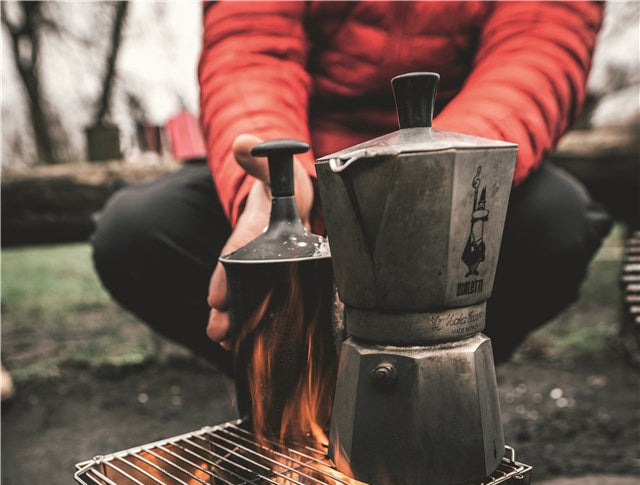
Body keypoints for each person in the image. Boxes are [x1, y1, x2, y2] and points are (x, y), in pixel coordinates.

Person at [93, 0, 611, 367]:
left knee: (557, 223)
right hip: (308, 161)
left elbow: (536, 54)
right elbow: (252, 47)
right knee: (138, 232)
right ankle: (290, 381)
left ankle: (443, 376)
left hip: (451, 166)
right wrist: (282, 190)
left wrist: (430, 182)